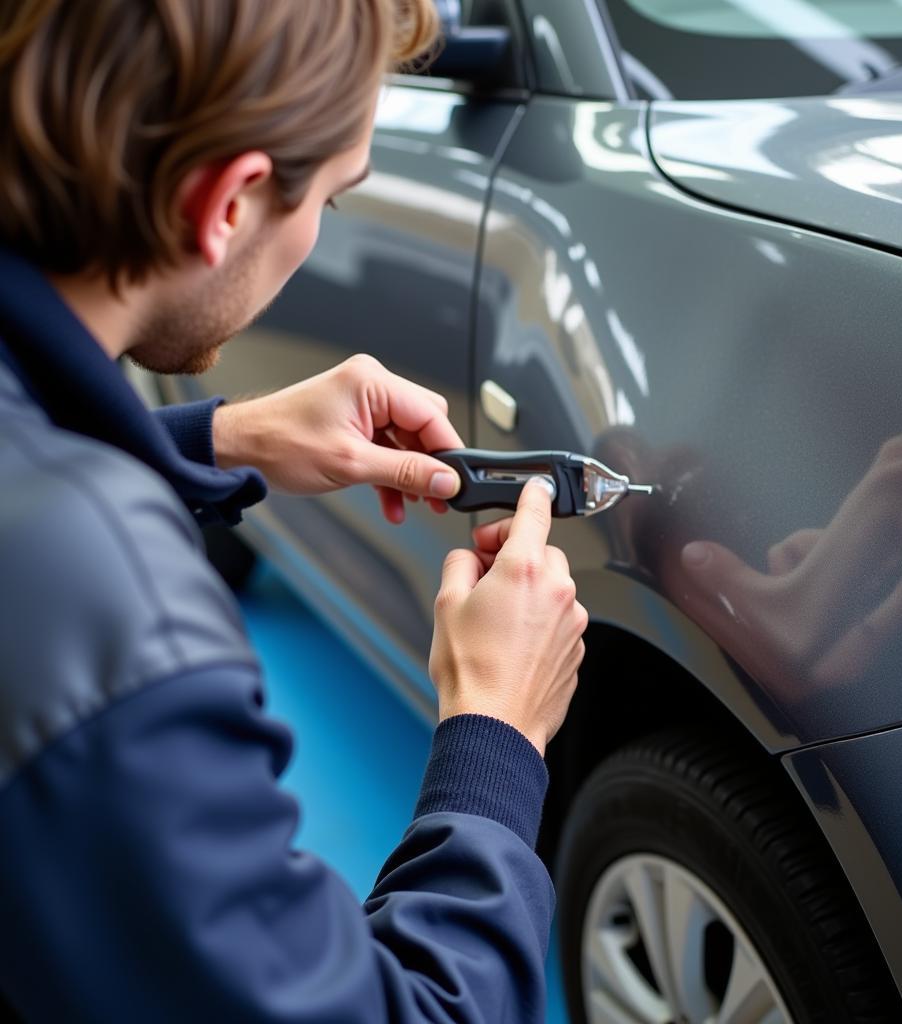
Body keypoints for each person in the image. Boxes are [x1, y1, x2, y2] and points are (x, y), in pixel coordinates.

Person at [0, 1, 588, 1021]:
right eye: (333, 196)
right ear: (228, 203)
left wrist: (223, 437)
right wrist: (496, 731)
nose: (318, 235)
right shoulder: (108, 616)